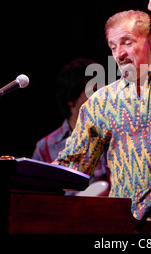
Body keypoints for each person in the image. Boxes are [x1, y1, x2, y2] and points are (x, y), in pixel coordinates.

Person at [54, 0, 151, 234]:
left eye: (127, 42)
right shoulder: (100, 103)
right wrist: (21, 176)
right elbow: (72, 165)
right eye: (113, 47)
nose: (119, 54)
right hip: (126, 223)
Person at [33, 57, 109, 189]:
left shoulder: (112, 135)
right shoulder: (44, 148)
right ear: (71, 98)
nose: (102, 98)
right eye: (94, 91)